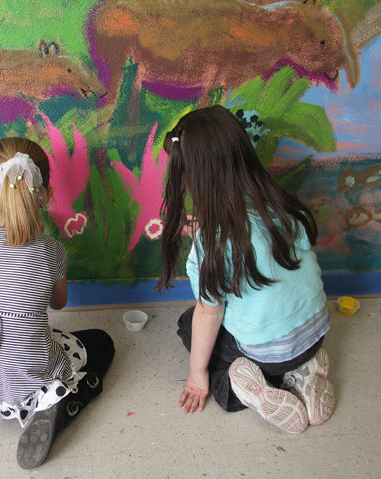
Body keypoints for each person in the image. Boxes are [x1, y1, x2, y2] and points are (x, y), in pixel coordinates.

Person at [157, 106, 334, 434]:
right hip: (315, 332)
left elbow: (209, 313)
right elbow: (254, 242)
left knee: (189, 325)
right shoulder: (281, 204)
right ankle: (303, 372)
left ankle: (260, 385)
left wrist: (197, 376)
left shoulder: (213, 243)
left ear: (194, 177)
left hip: (269, 351)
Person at [0, 137, 115, 468]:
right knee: (102, 343)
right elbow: (58, 304)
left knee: (30, 336)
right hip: (27, 382)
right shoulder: (51, 250)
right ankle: (63, 403)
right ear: (47, 195)